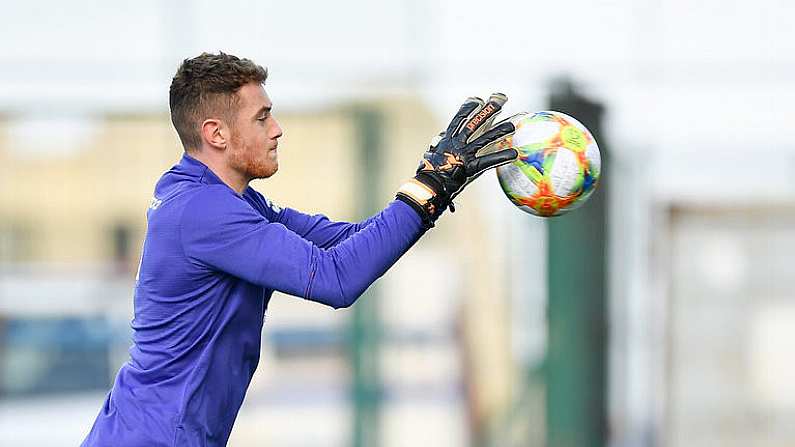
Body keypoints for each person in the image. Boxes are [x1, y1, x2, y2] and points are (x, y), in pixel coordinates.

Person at [81, 51, 517, 447]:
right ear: (216, 133)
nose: (277, 129)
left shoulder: (227, 200)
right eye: (262, 117)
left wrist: (433, 188)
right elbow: (336, 279)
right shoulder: (202, 211)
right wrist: (426, 192)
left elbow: (347, 241)